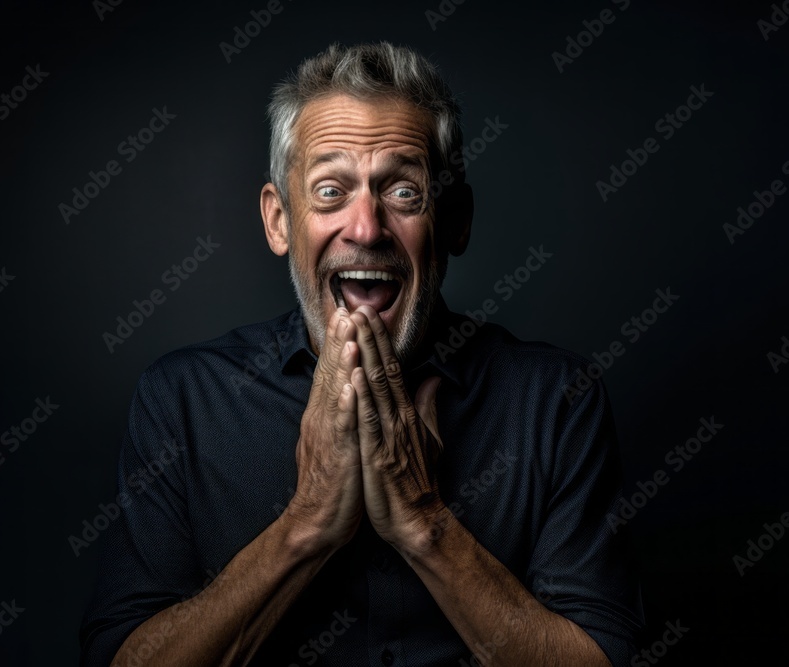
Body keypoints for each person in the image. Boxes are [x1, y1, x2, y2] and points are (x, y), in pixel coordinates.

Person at [80, 41, 643, 666]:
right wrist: (307, 523)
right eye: (329, 192)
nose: (367, 228)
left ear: (455, 220)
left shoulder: (556, 402)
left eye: (403, 191)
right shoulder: (183, 400)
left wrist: (425, 523)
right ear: (279, 221)